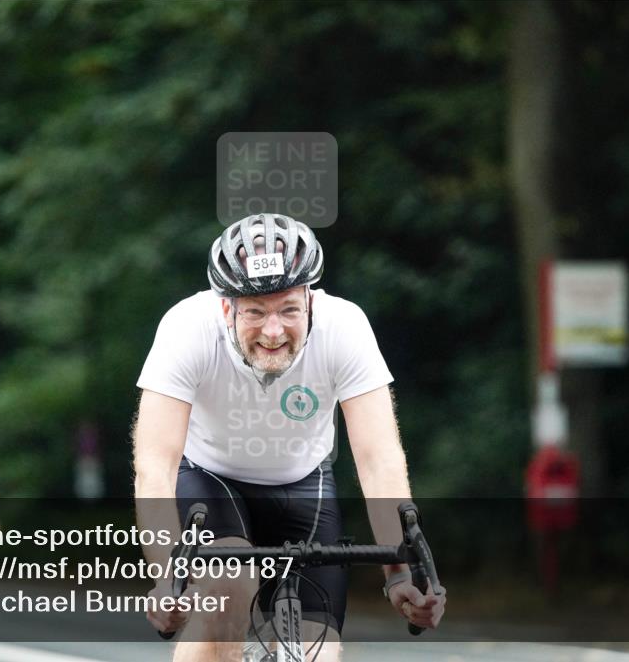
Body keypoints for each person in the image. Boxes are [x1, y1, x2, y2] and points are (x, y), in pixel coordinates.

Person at [133, 214, 445, 662]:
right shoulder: (187, 329)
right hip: (211, 480)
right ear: (227, 309)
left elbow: (379, 461)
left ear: (310, 302)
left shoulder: (345, 327)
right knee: (228, 590)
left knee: (320, 653)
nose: (273, 330)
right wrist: (168, 579)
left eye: (289, 310)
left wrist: (401, 576)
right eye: (255, 311)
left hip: (303, 485)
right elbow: (155, 468)